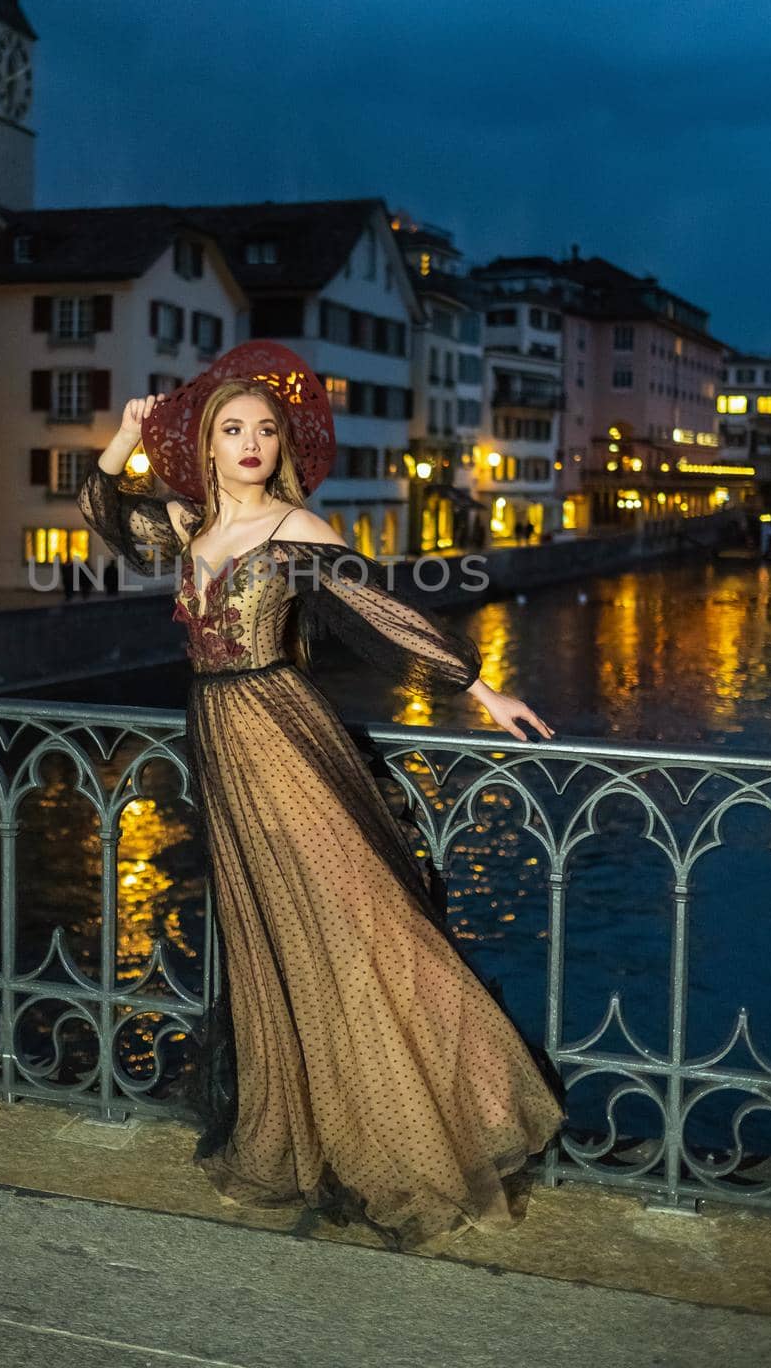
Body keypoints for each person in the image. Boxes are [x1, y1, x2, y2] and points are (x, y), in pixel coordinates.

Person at [77, 340, 564, 1253]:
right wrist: (126, 436)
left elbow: (385, 619)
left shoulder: (301, 533)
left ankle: (459, 1109)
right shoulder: (187, 527)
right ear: (209, 446)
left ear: (281, 443)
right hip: (221, 743)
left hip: (284, 733)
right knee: (273, 936)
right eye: (232, 429)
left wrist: (477, 687)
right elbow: (108, 512)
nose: (251, 443)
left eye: (265, 429)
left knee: (360, 914)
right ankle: (304, 1130)